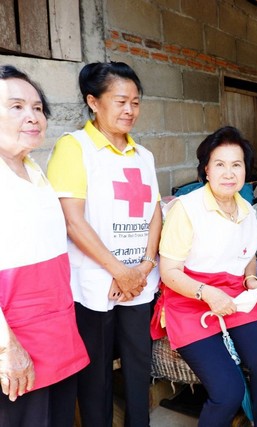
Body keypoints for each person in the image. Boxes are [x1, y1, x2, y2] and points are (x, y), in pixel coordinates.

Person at [47, 62, 161, 427]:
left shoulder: (144, 156)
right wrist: (119, 271)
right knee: (95, 374)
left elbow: (156, 212)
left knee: (138, 365)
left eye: (136, 102)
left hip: (138, 281)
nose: (130, 110)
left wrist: (142, 268)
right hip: (95, 284)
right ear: (93, 102)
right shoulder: (73, 147)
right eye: (121, 101)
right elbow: (71, 221)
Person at [158, 126, 257, 426]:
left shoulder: (246, 210)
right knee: (228, 391)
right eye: (220, 165)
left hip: (234, 297)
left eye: (236, 165)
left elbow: (247, 254)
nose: (229, 173)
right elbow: (169, 272)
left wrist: (251, 280)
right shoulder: (186, 209)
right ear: (206, 170)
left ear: (245, 171)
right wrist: (207, 294)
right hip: (190, 301)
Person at [0, 65, 89, 426]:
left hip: (55, 334)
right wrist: (6, 348)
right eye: (16, 106)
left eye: (37, 108)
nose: (33, 116)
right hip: (15, 341)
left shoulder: (33, 169)